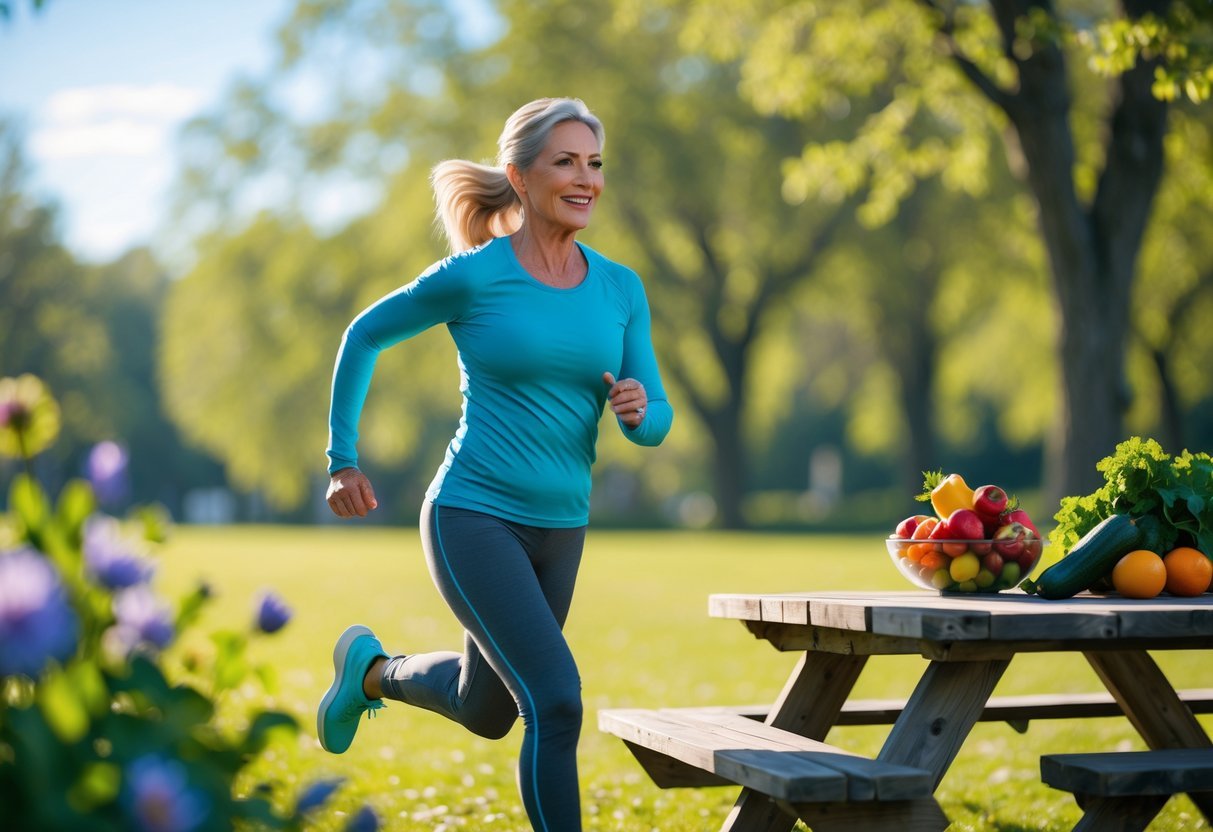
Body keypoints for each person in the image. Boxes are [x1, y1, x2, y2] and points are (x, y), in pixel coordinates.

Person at [316, 97, 673, 832]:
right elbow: (364, 335)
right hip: (472, 515)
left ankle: (372, 673)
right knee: (556, 701)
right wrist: (342, 459)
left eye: (595, 163)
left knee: (489, 710)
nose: (586, 179)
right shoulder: (475, 277)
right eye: (566, 161)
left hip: (562, 526)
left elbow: (655, 421)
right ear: (518, 175)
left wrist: (640, 412)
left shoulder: (619, 288)